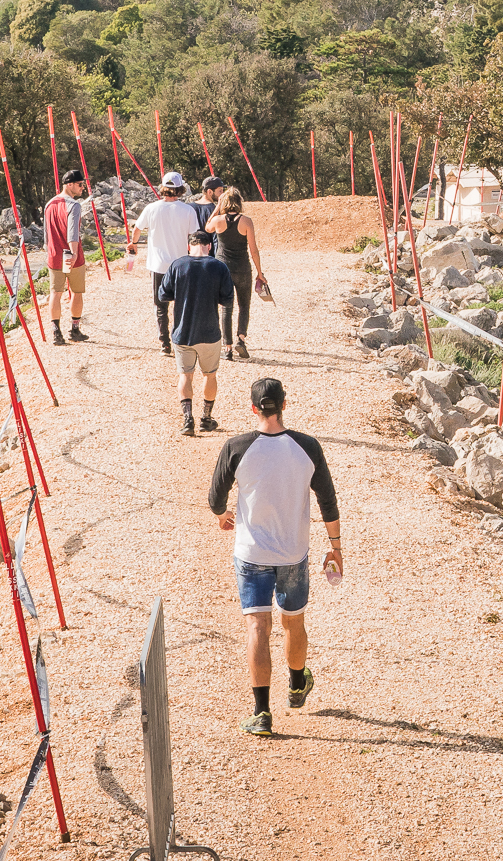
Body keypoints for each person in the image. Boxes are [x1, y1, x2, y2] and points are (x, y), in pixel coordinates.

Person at [208, 376, 341, 736]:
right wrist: (336, 547)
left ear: (252, 408)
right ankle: (297, 685)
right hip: (293, 553)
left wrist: (223, 516)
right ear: (285, 404)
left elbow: (215, 497)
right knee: (293, 622)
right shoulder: (308, 447)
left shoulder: (236, 447)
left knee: (257, 627)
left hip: (251, 554)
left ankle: (261, 712)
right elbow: (327, 501)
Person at [164, 229, 236, 435]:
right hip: (209, 332)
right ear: (210, 246)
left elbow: (163, 294)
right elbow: (227, 299)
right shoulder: (219, 266)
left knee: (185, 375)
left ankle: (188, 420)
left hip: (182, 332)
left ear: (189, 246)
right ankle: (206, 417)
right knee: (209, 375)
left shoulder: (177, 265)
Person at [133, 171, 201, 355]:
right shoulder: (188, 210)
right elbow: (194, 237)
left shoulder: (151, 208)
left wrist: (133, 244)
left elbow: (137, 229)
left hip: (158, 265)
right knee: (180, 303)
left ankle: (164, 343)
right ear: (180, 189)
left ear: (163, 188)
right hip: (181, 265)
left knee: (161, 305)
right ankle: (180, 338)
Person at [204, 187, 267, 360]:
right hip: (242, 268)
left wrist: (217, 208)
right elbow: (254, 250)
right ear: (239, 202)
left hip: (222, 268)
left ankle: (228, 347)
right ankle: (241, 338)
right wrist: (260, 273)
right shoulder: (246, 221)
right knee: (244, 305)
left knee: (226, 307)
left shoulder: (217, 220)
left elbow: (206, 228)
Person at [42, 171, 90, 344]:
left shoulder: (49, 204)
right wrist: (74, 252)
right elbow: (73, 233)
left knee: (55, 292)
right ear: (69, 184)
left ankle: (56, 332)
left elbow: (46, 233)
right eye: (80, 184)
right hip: (71, 255)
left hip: (54, 254)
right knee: (76, 291)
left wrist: (48, 250)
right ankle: (74, 329)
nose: (82, 187)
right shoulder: (74, 205)